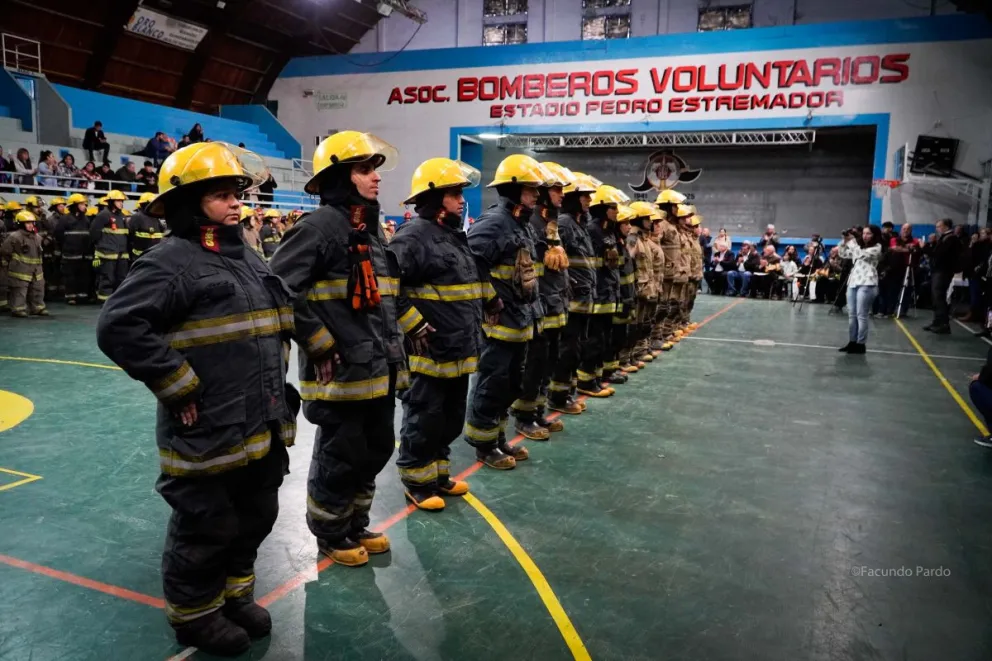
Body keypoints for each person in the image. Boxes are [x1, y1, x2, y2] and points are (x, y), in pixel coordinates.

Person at [96, 142, 296, 656]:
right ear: (189, 204)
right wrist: (176, 381)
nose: (236, 203)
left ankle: (234, 597)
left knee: (256, 514)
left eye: (237, 194)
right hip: (206, 423)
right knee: (207, 525)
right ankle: (196, 616)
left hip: (259, 418)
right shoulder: (170, 260)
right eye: (221, 195)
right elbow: (119, 327)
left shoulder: (245, 256)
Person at [268, 131, 405, 566]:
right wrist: (319, 341)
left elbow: (384, 300)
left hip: (378, 365)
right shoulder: (318, 228)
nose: (376, 178)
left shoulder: (369, 228)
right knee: (341, 452)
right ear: (341, 178)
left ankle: (355, 522)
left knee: (376, 447)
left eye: (375, 170)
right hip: (341, 369)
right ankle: (330, 531)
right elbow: (279, 290)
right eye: (364, 170)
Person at [390, 157, 484, 510]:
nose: (462, 200)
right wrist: (412, 322)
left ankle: (439, 475)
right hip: (427, 350)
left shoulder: (453, 236)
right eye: (454, 194)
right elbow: (390, 287)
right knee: (424, 416)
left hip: (457, 347)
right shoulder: (412, 237)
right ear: (434, 197)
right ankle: (417, 482)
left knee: (449, 418)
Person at [460, 154, 546, 469]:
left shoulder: (521, 224)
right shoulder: (494, 223)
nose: (536, 195)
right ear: (513, 189)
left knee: (510, 384)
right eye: (530, 189)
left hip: (520, 322)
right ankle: (484, 445)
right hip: (498, 324)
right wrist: (489, 300)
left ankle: (497, 437)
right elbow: (469, 264)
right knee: (492, 383)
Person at [512, 161, 571, 440]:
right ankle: (524, 417)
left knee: (548, 362)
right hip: (538, 307)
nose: (562, 195)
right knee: (534, 365)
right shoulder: (532, 223)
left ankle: (537, 412)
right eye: (556, 189)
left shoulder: (550, 223)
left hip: (554, 305)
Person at [546, 172, 597, 416]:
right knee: (567, 350)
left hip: (584, 298)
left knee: (576, 349)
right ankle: (558, 396)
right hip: (572, 299)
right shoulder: (565, 223)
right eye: (584, 196)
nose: (589, 200)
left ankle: (568, 392)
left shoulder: (579, 224)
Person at [582, 184, 625, 392]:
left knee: (604, 339)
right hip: (598, 294)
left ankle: (597, 377)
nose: (617, 211)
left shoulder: (609, 231)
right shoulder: (593, 230)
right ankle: (587, 380)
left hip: (609, 293)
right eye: (613, 207)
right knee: (594, 340)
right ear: (602, 208)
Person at [838, 225, 883, 354]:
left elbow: (859, 254)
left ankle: (861, 344)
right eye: (863, 233)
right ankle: (852, 342)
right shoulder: (858, 246)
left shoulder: (877, 247)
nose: (865, 236)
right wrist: (844, 241)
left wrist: (852, 241)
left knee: (861, 315)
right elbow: (843, 254)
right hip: (853, 282)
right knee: (852, 315)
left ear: (874, 235)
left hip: (867, 283)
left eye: (868, 233)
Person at [627, 201, 661, 364]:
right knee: (632, 325)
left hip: (645, 287)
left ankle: (636, 353)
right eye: (647, 218)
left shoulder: (643, 239)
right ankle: (626, 357)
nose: (650, 222)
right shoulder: (633, 238)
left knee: (640, 324)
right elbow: (628, 261)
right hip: (637, 287)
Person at [607, 204, 638, 377]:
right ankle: (609, 369)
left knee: (620, 335)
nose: (629, 227)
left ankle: (614, 366)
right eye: (625, 223)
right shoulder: (614, 246)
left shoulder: (621, 244)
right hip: (618, 298)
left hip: (626, 297)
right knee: (613, 336)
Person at [1, 210, 48, 317]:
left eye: (32, 223)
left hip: (36, 270)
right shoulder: (15, 237)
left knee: (38, 288)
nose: (31, 225)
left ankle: (38, 307)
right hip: (20, 270)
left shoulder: (37, 237)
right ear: (20, 224)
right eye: (27, 223)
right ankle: (18, 309)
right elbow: (5, 251)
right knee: (19, 289)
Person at [654, 189, 686, 346]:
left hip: (671, 273)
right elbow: (655, 245)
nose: (677, 209)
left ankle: (661, 334)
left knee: (666, 305)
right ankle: (654, 337)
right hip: (663, 273)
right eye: (675, 206)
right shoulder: (662, 225)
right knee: (660, 306)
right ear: (667, 206)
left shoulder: (671, 225)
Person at [89, 189, 130, 301]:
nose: (121, 203)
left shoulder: (122, 216)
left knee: (121, 279)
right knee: (108, 279)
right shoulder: (103, 215)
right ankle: (105, 301)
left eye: (122, 201)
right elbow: (94, 234)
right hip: (107, 254)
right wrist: (98, 250)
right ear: (111, 202)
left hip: (122, 254)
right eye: (118, 201)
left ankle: (119, 301)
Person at [924, 218, 961, 335]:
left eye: (939, 226)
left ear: (946, 226)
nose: (937, 229)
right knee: (936, 297)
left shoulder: (951, 239)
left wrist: (925, 247)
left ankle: (944, 324)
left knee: (939, 297)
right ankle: (937, 322)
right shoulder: (944, 238)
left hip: (943, 271)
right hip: (938, 271)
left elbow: (939, 254)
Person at [56, 193, 93, 304]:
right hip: (70, 254)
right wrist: (67, 246)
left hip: (83, 255)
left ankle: (82, 296)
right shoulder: (65, 219)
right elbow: (58, 235)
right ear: (75, 205)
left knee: (83, 276)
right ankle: (70, 297)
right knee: (70, 277)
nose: (84, 206)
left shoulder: (86, 220)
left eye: (84, 204)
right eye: (81, 204)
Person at [963, 227, 992, 323]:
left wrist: (979, 269)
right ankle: (982, 319)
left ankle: (986, 321)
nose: (981, 235)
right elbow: (969, 257)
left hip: (984, 275)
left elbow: (985, 261)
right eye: (981, 233)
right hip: (977, 274)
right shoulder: (978, 245)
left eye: (984, 233)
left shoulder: (987, 246)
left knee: (983, 299)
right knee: (977, 296)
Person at [128, 192, 164, 259]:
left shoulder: (155, 217)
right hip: (140, 257)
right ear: (145, 204)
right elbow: (130, 237)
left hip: (155, 256)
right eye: (152, 204)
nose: (154, 206)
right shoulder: (137, 217)